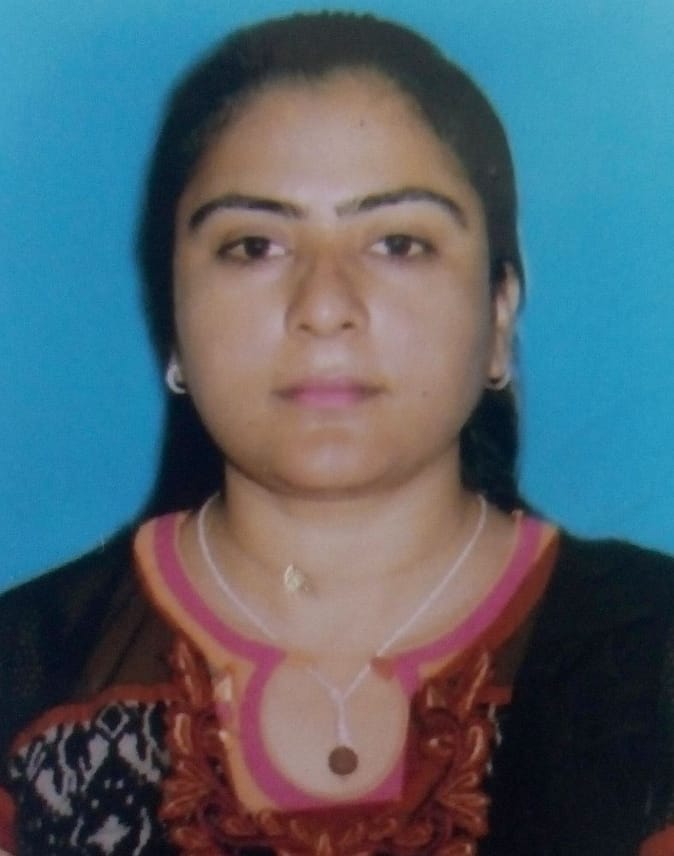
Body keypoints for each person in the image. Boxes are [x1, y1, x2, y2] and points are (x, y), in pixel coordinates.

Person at [1, 11, 673, 856]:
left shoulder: (650, 653)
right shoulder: (26, 677)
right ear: (171, 323)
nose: (324, 307)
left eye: (399, 243)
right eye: (254, 246)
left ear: (500, 316)